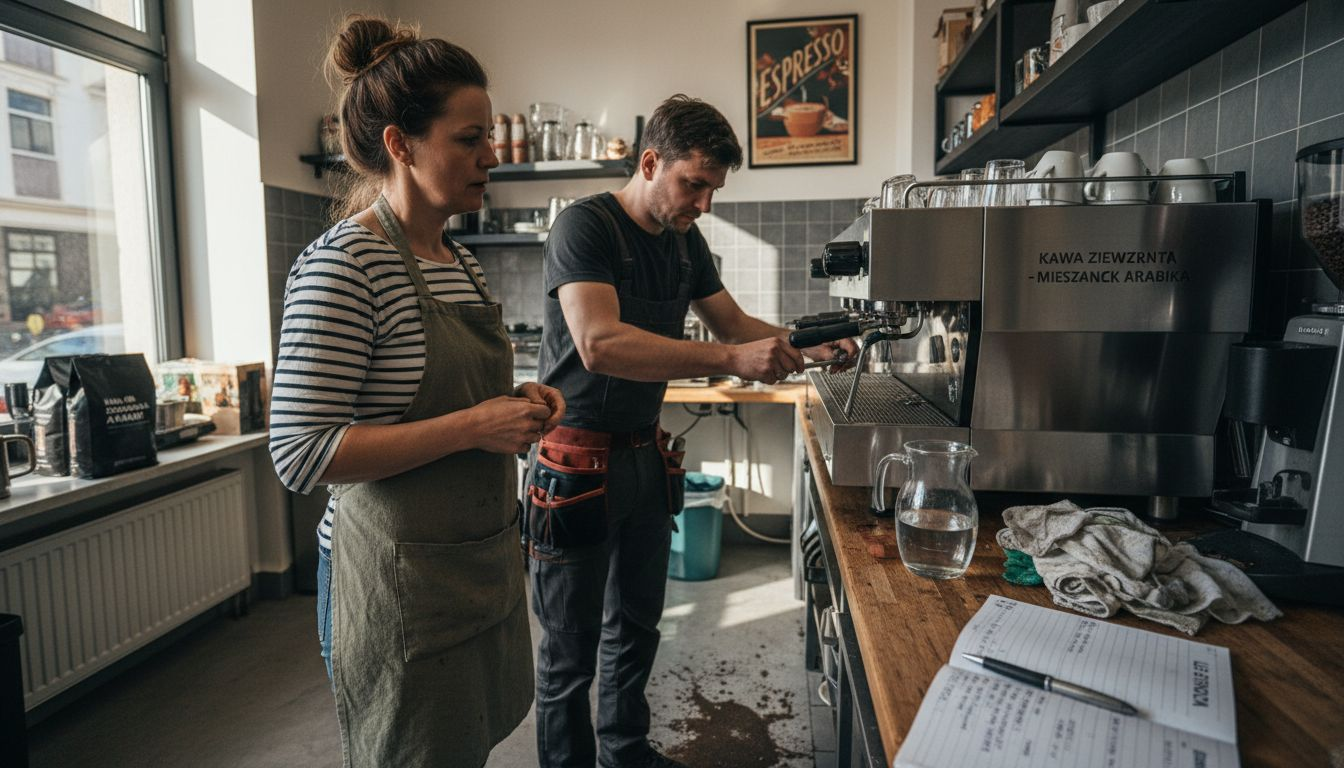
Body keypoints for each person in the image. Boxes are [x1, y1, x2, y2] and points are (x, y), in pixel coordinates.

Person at [267, 15, 563, 767]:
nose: (491, 156)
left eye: (488, 136)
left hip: (473, 567)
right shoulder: (344, 266)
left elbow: (439, 397)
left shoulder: (457, 260)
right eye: (469, 138)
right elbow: (300, 453)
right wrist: (473, 427)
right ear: (400, 144)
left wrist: (516, 405)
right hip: (395, 587)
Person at [530, 94, 857, 768]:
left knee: (636, 629)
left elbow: (735, 326)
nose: (704, 204)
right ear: (651, 162)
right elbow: (599, 344)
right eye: (694, 184)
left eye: (713, 190)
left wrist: (811, 344)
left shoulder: (685, 243)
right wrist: (731, 360)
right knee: (569, 655)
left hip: (644, 458)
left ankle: (625, 752)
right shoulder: (584, 227)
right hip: (574, 465)